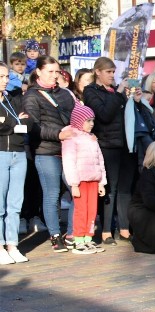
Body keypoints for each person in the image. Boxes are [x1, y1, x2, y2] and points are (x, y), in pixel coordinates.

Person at [23, 55, 76, 252]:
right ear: (38, 72)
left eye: (57, 72)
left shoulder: (65, 94)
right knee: (52, 194)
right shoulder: (32, 95)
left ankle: (72, 233)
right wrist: (59, 134)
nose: (55, 76)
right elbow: (33, 127)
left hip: (69, 151)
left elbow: (77, 117)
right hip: (46, 151)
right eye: (50, 72)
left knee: (75, 191)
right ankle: (55, 235)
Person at [83, 57, 135, 245]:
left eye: (114, 72)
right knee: (109, 190)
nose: (112, 76)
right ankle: (106, 230)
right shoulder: (91, 92)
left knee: (124, 189)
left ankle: (124, 228)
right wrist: (118, 93)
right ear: (98, 72)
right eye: (109, 72)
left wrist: (131, 98)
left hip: (125, 145)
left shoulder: (116, 92)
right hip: (107, 145)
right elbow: (103, 115)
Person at [61, 105, 107, 255]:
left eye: (93, 120)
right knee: (80, 210)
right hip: (80, 181)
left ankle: (88, 238)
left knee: (92, 210)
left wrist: (101, 182)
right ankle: (78, 240)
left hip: (93, 180)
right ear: (79, 120)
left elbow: (100, 160)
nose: (91, 123)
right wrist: (73, 183)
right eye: (88, 120)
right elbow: (69, 161)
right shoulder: (71, 137)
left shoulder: (92, 138)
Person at [0, 62, 31, 264]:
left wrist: (8, 124)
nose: (5, 80)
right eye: (1, 76)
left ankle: (12, 244)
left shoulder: (13, 99)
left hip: (18, 154)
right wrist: (14, 123)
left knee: (15, 203)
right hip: (1, 153)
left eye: (6, 76)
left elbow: (28, 122)